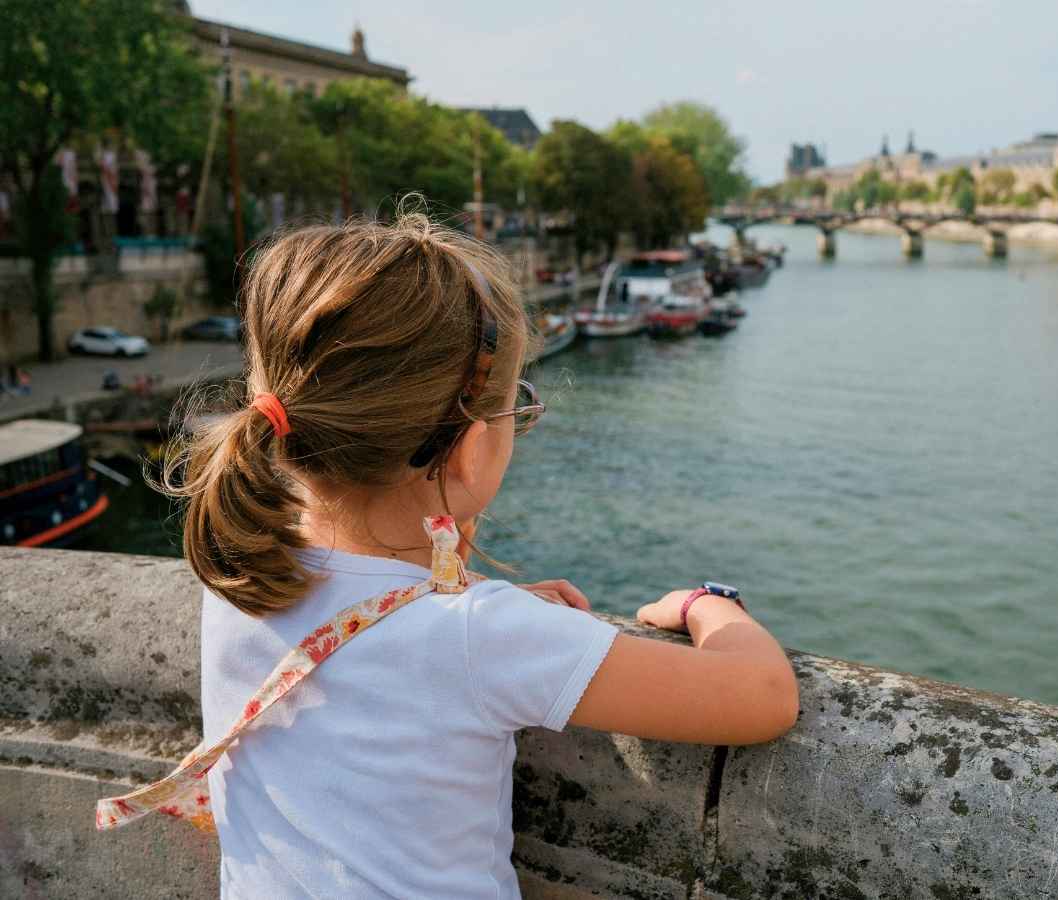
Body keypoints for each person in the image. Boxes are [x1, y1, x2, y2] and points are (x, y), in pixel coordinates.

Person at [113, 210, 799, 897]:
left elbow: (378, 632)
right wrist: (706, 603)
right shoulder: (483, 636)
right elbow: (764, 697)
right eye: (517, 410)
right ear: (470, 451)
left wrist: (455, 590)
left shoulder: (237, 574)